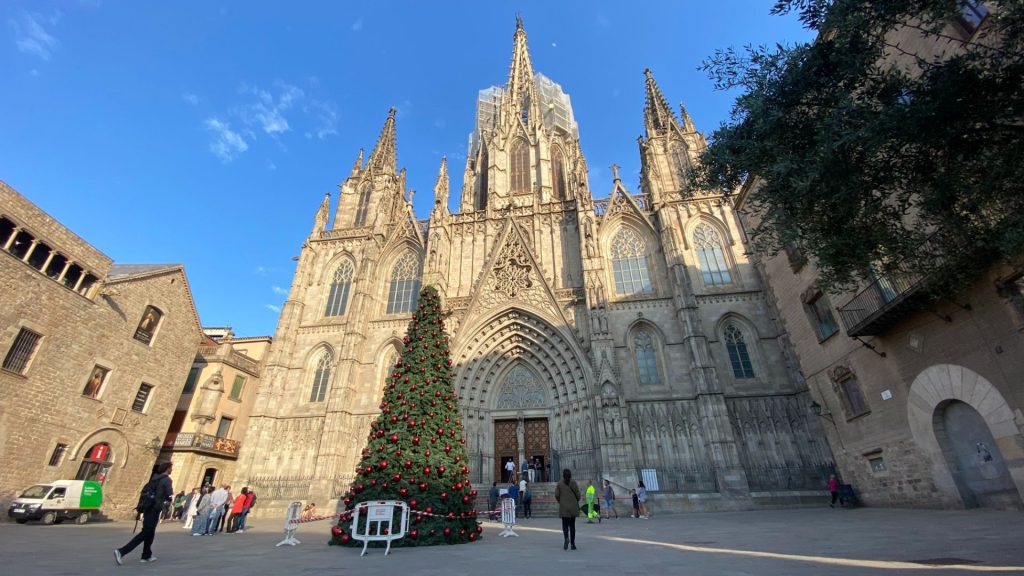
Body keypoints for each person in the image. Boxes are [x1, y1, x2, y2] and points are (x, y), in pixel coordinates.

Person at [114, 461, 173, 565]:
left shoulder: (154, 478)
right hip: (154, 508)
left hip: (147, 508)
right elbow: (169, 495)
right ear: (167, 468)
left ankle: (146, 555)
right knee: (146, 532)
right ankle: (122, 551)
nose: (171, 470)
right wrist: (167, 501)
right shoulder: (166, 480)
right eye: (171, 468)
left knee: (150, 532)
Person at [555, 468, 581, 551]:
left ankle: (566, 538)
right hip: (573, 507)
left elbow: (556, 495)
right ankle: (573, 544)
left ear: (563, 475)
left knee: (565, 525)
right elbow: (578, 494)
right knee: (572, 526)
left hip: (564, 507)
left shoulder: (559, 483)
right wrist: (575, 500)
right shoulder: (573, 482)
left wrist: (561, 502)